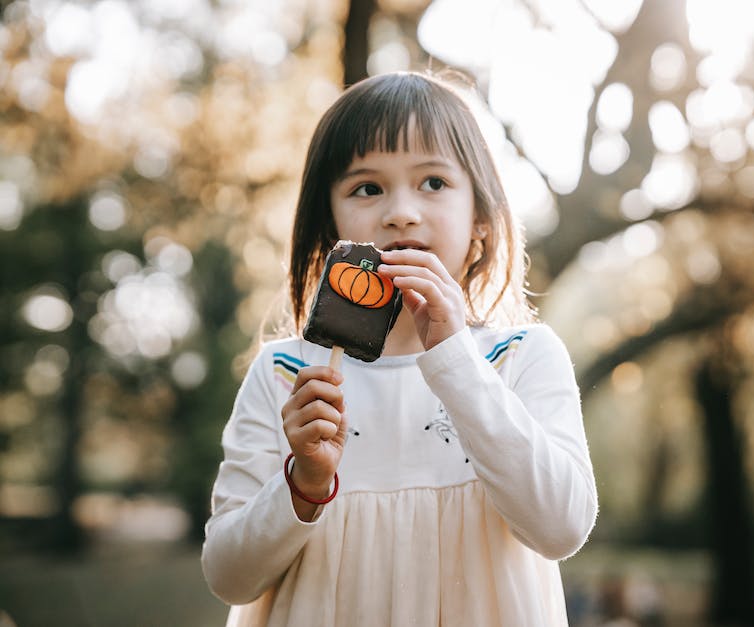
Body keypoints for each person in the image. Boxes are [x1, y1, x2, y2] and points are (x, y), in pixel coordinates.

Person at [201, 70, 598, 627]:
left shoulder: (522, 357)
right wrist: (304, 486)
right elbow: (228, 576)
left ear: (481, 221)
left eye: (433, 182)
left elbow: (561, 527)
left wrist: (456, 359)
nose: (400, 212)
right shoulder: (286, 375)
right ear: (329, 224)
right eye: (367, 187)